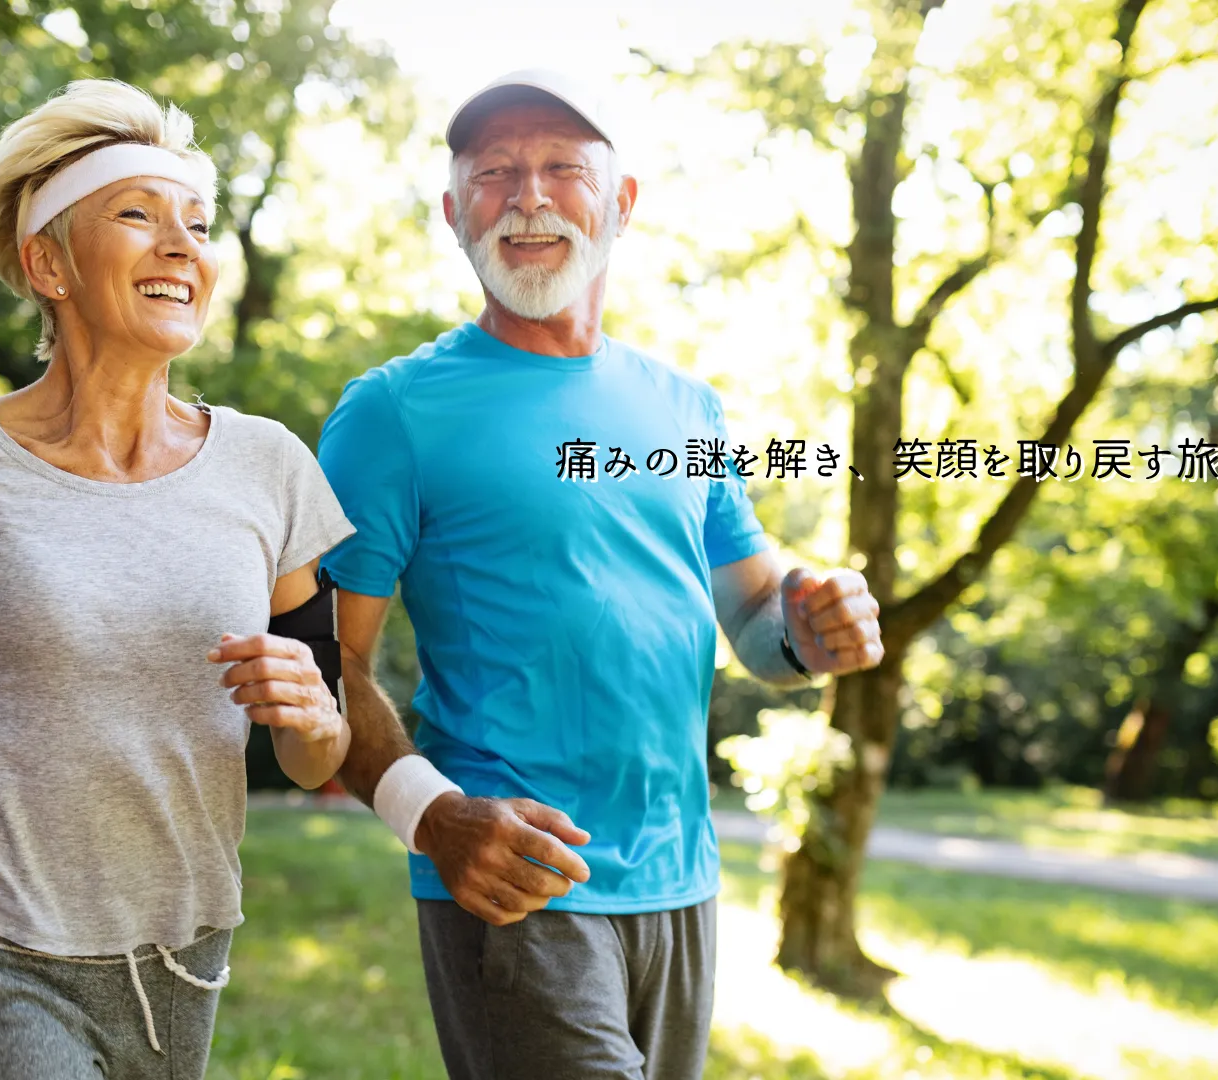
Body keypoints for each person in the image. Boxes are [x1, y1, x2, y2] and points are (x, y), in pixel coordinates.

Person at [316, 70, 885, 1079]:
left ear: (619, 202)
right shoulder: (393, 412)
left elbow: (752, 612)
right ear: (455, 213)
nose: (527, 195)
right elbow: (329, 668)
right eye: (493, 173)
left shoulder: (687, 409)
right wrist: (436, 818)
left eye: (561, 168)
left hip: (680, 882)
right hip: (514, 879)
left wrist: (809, 624)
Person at [0, 78, 356, 1079]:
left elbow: (320, 754)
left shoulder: (271, 468)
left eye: (196, 223)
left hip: (184, 960)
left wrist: (314, 718)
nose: (181, 246)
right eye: (137, 216)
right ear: (46, 261)